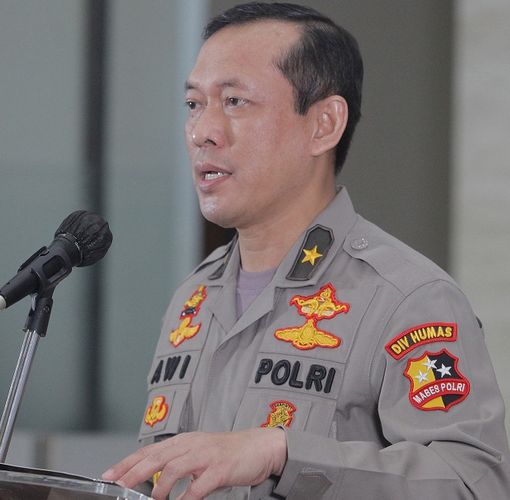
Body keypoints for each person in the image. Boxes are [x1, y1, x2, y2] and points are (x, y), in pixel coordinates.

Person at [102, 2, 510, 499]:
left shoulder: (408, 298)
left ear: (324, 125)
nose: (202, 131)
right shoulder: (193, 297)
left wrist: (284, 452)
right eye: (194, 104)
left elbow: (474, 484)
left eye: (234, 102)